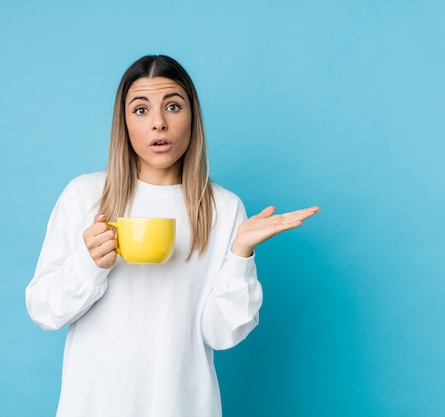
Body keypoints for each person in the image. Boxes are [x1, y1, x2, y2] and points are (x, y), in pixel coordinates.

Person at [26, 55, 319, 417]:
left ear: (192, 117)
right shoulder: (84, 196)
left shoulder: (223, 208)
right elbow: (43, 310)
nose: (159, 124)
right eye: (141, 110)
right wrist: (88, 265)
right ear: (124, 122)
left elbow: (222, 334)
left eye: (173, 106)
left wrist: (240, 253)